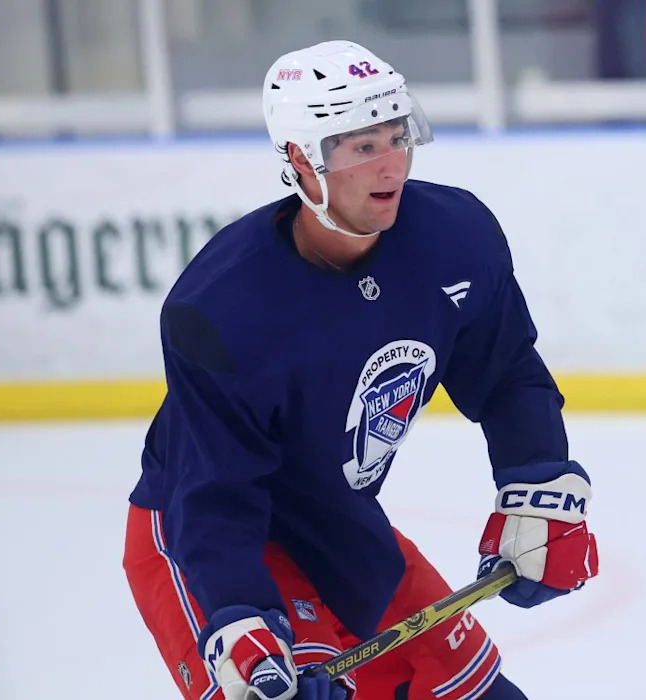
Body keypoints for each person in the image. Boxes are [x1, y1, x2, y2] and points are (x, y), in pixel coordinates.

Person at [122, 40, 598, 700]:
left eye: (397, 136)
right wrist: (239, 620)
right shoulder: (220, 310)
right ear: (299, 160)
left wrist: (538, 481)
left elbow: (507, 371)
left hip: (337, 524)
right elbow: (216, 498)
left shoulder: (456, 237)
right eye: (360, 146)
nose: (391, 164)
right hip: (214, 545)